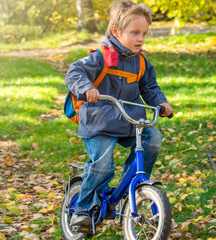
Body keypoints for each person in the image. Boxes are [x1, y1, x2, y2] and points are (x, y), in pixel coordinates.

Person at [64, 0, 173, 231]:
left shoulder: (141, 61)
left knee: (152, 139)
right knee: (103, 166)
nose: (140, 38)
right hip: (99, 120)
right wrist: (86, 88)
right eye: (134, 32)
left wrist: (160, 103)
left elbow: (150, 88)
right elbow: (75, 71)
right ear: (116, 31)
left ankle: (130, 189)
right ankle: (82, 208)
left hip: (129, 120)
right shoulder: (102, 57)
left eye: (144, 33)